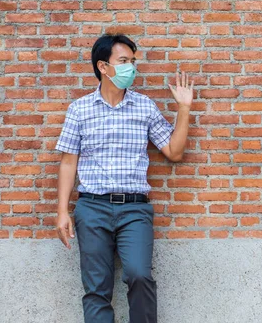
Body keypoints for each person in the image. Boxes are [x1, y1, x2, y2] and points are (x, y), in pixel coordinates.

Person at [54, 34, 194, 323]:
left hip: (134, 209)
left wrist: (184, 108)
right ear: (103, 67)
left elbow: (174, 151)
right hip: (92, 208)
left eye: (133, 61)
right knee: (96, 288)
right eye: (124, 61)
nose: (132, 67)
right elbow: (68, 162)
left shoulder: (144, 107)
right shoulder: (79, 110)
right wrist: (62, 212)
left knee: (140, 275)